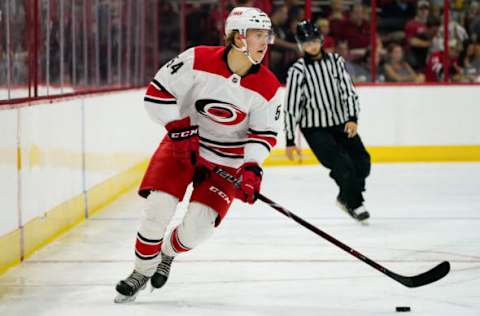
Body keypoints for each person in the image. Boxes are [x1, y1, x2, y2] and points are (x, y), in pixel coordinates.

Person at [114, 6, 282, 303]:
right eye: (258, 35)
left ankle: (167, 253)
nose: (265, 42)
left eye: (266, 36)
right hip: (183, 146)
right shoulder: (197, 59)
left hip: (227, 162)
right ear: (238, 37)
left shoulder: (268, 86)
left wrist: (252, 168)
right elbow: (157, 95)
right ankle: (141, 271)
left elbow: (264, 134)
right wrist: (179, 130)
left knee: (196, 231)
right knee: (157, 211)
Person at [284, 20, 371, 223]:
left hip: (341, 122)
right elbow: (291, 107)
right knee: (343, 166)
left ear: (321, 40)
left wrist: (352, 118)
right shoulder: (297, 71)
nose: (311, 46)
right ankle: (355, 204)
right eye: (306, 43)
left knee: (362, 163)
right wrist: (290, 140)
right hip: (314, 129)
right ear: (300, 45)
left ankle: (344, 196)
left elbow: (348, 91)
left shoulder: (336, 61)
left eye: (314, 41)